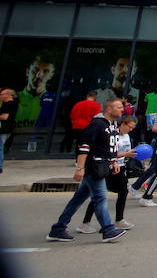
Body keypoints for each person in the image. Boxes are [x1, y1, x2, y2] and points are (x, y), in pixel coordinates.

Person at [46, 97, 127, 243]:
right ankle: (108, 229)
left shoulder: (113, 124)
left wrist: (113, 160)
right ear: (109, 109)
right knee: (101, 198)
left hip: (102, 166)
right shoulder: (97, 124)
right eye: (119, 107)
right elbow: (84, 146)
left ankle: (58, 229)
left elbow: (109, 146)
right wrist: (80, 168)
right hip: (93, 167)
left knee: (78, 199)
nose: (122, 110)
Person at [77, 115, 137, 232]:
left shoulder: (127, 136)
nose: (130, 130)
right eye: (130, 127)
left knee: (123, 192)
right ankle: (85, 223)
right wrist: (125, 155)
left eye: (132, 128)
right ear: (123, 124)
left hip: (119, 167)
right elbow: (110, 153)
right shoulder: (112, 134)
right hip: (107, 167)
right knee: (99, 195)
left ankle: (119, 220)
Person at [16, 56, 56, 127]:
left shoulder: (54, 102)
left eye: (45, 71)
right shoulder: (14, 98)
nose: (38, 75)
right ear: (27, 72)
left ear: (51, 76)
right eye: (36, 70)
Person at [69, 91, 101, 158]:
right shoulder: (96, 105)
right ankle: (85, 159)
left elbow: (72, 116)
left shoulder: (78, 104)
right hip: (88, 127)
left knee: (79, 143)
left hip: (77, 127)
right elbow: (97, 117)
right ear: (95, 97)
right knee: (88, 144)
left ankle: (78, 159)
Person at [0, 89, 17, 175]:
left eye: (1, 94)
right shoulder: (9, 104)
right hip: (6, 129)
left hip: (3, 129)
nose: (0, 96)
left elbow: (4, 117)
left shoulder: (9, 104)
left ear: (8, 95)